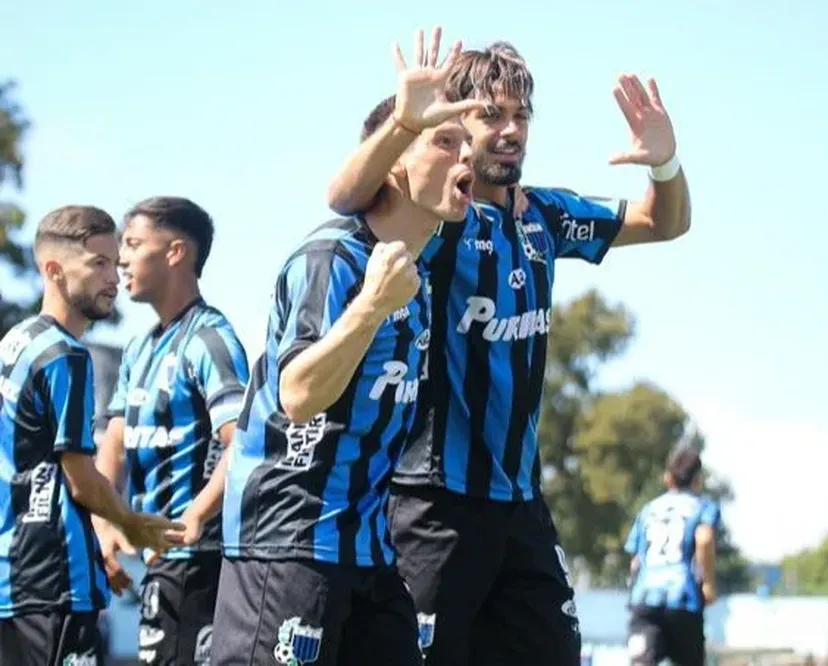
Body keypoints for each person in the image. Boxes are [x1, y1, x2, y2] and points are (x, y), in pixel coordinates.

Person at [325, 26, 692, 666]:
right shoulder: (437, 218)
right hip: (431, 505)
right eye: (490, 114)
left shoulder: (547, 217)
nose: (511, 129)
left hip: (522, 509)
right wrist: (406, 127)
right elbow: (346, 198)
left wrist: (664, 161)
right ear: (453, 124)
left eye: (521, 115)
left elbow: (665, 222)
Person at [210, 34, 481, 666]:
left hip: (368, 553)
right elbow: (298, 395)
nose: (466, 157)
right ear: (393, 163)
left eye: (468, 145)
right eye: (445, 141)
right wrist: (368, 309)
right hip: (287, 543)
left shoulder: (417, 274)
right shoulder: (334, 255)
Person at [0, 205, 184, 666]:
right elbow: (80, 477)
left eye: (114, 261)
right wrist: (131, 523)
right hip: (52, 583)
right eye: (98, 263)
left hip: (13, 578)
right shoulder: (66, 356)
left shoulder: (16, 340)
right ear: (54, 271)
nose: (114, 275)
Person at [92, 197, 250, 666]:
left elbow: (241, 441)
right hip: (156, 565)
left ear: (177, 252)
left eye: (134, 244)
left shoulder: (211, 339)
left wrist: (197, 513)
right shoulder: (139, 347)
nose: (121, 258)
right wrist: (106, 525)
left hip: (200, 563)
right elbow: (113, 444)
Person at [623, 447, 719, 666]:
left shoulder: (648, 509)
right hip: (683, 599)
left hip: (644, 599)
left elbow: (636, 560)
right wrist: (709, 586)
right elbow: (704, 539)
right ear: (698, 480)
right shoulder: (702, 506)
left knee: (641, 663)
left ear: (667, 478)